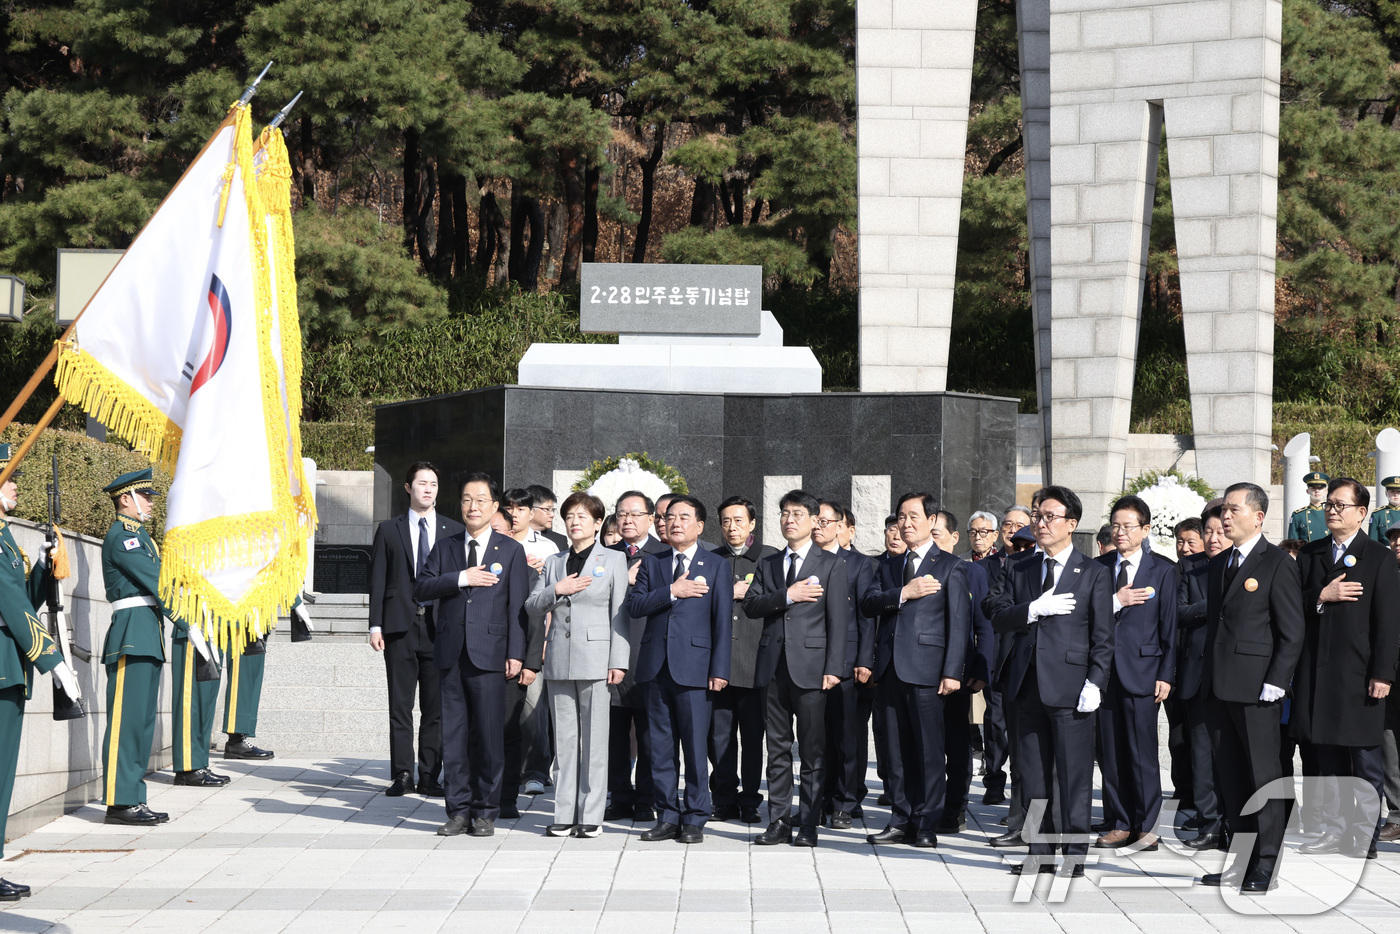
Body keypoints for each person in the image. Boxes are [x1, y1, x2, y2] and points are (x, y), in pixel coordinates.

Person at [990, 485, 1114, 877]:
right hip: (1026, 686)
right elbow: (996, 611)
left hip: (1072, 688)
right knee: (1034, 775)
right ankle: (1039, 851)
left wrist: (1096, 682)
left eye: (1049, 517)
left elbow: (1103, 636)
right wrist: (1032, 609)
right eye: (1037, 516)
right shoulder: (1019, 566)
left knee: (1074, 773)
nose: (1041, 524)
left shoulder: (1093, 572)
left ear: (1071, 525)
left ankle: (1074, 852)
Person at [1198, 482, 1304, 894]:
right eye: (1223, 509)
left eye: (1233, 509)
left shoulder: (1276, 562)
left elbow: (1291, 632)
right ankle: (1240, 861)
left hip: (1258, 690)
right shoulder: (1220, 563)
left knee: (1264, 779)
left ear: (1258, 517)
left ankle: (1266, 865)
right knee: (1232, 779)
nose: (1225, 516)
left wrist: (1277, 682)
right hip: (1220, 688)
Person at [414, 473, 533, 838]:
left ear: (495, 506)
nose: (473, 506)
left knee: (489, 736)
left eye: (481, 500)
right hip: (450, 654)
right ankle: (458, 811)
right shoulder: (446, 546)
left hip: (491, 654)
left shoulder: (509, 550)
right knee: (454, 736)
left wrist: (516, 653)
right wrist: (461, 578)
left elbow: (518, 607)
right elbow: (422, 586)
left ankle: (485, 810)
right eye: (467, 499)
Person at [1292, 477, 1399, 859]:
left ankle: (1365, 835)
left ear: (1361, 512)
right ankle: (1335, 831)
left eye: (1341, 505)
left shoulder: (1379, 557)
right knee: (1329, 760)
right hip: (1319, 674)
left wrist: (1383, 674)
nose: (1333, 510)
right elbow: (1290, 607)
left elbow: (1388, 623)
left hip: (1360, 675)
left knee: (1366, 761)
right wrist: (1321, 595)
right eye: (1330, 505)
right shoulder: (1311, 554)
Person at [860, 492, 971, 849]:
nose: (905, 524)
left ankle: (926, 822)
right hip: (890, 669)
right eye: (900, 518)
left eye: (913, 517)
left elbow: (959, 623)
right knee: (893, 750)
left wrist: (952, 671)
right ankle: (900, 818)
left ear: (931, 520)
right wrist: (904, 592)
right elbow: (869, 603)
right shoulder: (890, 565)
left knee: (927, 750)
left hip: (928, 670)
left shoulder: (950, 565)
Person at [743, 490, 849, 846]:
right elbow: (752, 606)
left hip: (813, 669)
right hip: (772, 668)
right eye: (785, 513)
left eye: (797, 514)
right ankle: (778, 821)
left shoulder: (832, 563)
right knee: (777, 748)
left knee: (813, 750)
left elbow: (840, 622)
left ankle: (808, 822)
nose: (789, 519)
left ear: (814, 520)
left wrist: (834, 667)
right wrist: (788, 595)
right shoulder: (769, 563)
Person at [626, 495, 733, 844]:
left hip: (696, 670)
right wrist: (672, 590)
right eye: (669, 517)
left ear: (700, 526)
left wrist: (719, 669)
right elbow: (635, 606)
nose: (674, 523)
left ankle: (696, 815)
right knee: (660, 747)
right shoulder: (652, 563)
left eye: (684, 517)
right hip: (656, 669)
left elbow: (721, 622)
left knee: (695, 747)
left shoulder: (716, 564)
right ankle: (667, 814)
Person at [525, 492, 631, 837]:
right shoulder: (555, 561)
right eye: (569, 516)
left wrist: (619, 660)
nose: (574, 522)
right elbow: (532, 606)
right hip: (558, 657)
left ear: (598, 523)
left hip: (597, 659)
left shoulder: (613, 559)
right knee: (566, 743)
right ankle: (564, 812)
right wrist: (558, 588)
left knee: (595, 741)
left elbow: (620, 614)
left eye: (582, 516)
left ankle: (591, 814)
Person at [0, 444, 80, 900]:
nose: (15, 485)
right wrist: (52, 660)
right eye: (8, 477)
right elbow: (9, 605)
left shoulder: (5, 534)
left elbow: (23, 597)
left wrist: (46, 569)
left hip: (9, 664)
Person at [100, 468, 197, 826]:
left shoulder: (140, 537)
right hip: (131, 636)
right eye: (146, 497)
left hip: (147, 635)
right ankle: (120, 801)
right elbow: (157, 582)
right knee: (126, 724)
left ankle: (132, 797)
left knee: (140, 725)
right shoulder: (123, 537)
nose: (151, 504)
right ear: (126, 499)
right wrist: (189, 621)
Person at [368, 461, 463, 796]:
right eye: (421, 483)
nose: (428, 489)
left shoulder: (453, 530)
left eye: (433, 484)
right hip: (399, 627)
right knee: (400, 705)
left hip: (440, 629)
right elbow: (378, 579)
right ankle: (402, 774)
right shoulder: (389, 529)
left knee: (436, 708)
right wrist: (375, 625)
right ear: (408, 488)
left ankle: (429, 775)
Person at [1093, 495, 1177, 852]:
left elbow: (1169, 627)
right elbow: (1088, 619)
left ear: (1145, 529)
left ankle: (1147, 826)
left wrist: (1166, 673)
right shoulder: (1097, 568)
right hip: (1103, 672)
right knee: (1109, 751)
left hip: (1144, 672)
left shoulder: (1163, 569)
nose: (1121, 532)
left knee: (1142, 752)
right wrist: (1116, 601)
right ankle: (1119, 822)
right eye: (1116, 525)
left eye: (1128, 526)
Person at [604, 491, 669, 822]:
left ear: (650, 519)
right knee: (615, 732)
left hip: (651, 653)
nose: (627, 520)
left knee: (649, 733)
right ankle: (619, 796)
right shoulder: (604, 555)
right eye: (621, 514)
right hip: (612, 652)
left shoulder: (664, 554)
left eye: (634, 514)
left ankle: (646, 797)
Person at [710, 495, 774, 824]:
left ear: (752, 523)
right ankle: (723, 798)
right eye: (725, 521)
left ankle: (750, 799)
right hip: (718, 664)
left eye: (738, 521)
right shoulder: (710, 559)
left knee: (752, 737)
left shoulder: (770, 559)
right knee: (720, 737)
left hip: (755, 663)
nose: (732, 527)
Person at [930, 509, 993, 836]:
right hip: (920, 670)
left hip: (957, 672)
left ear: (955, 538)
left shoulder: (971, 572)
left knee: (956, 744)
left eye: (937, 533)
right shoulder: (917, 569)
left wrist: (981, 665)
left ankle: (955, 806)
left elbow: (984, 624)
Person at [814, 500, 876, 828]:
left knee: (846, 736)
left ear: (841, 526)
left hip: (848, 663)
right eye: (816, 521)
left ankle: (846, 802)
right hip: (809, 661)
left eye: (827, 521)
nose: (820, 527)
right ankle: (818, 801)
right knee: (815, 737)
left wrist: (865, 660)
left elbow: (866, 617)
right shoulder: (803, 561)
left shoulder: (861, 564)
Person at [1175, 505, 1228, 851]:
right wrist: (1212, 607)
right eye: (1207, 532)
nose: (1213, 538)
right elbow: (1178, 612)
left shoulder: (1247, 567)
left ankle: (1236, 824)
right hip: (1196, 675)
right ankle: (1209, 824)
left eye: (1219, 531)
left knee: (1232, 755)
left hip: (1235, 675)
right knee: (1201, 753)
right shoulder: (1189, 571)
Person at [1289, 471, 1330, 543]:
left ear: (1325, 490)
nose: (1317, 491)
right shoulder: (1298, 515)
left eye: (1320, 488)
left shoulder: (1331, 512)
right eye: (1313, 488)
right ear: (1308, 491)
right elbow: (1292, 543)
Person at [527, 484, 568, 550]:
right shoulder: (511, 536)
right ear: (531, 510)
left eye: (553, 510)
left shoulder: (559, 541)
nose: (552, 515)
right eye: (547, 509)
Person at [1368, 476, 1400, 543]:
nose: (1396, 494)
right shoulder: (1378, 514)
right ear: (1386, 493)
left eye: (1399, 491)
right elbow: (1372, 541)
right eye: (1392, 491)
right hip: (1384, 551)